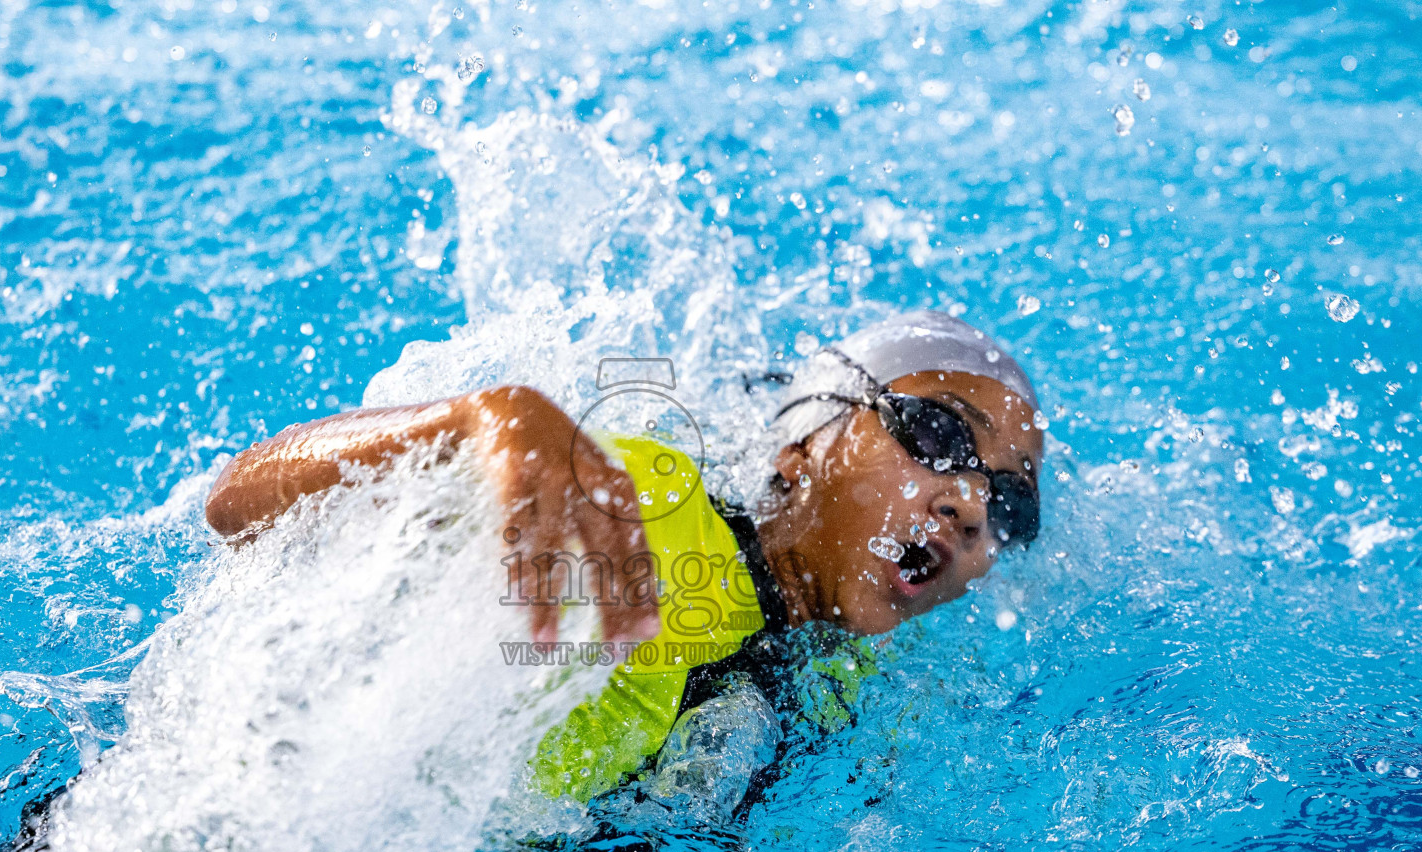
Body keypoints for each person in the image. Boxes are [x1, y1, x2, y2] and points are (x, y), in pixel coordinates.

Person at [204, 309, 1043, 817]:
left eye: (1010, 503)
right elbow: (238, 503)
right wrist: (481, 423)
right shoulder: (636, 505)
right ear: (800, 447)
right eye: (939, 436)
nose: (970, 504)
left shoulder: (847, 683)